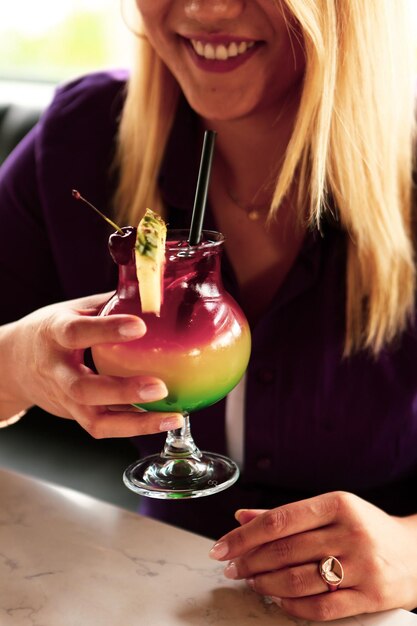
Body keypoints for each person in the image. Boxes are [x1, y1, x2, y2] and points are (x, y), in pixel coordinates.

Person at [1, 0, 417, 620]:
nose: (205, 8)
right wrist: (14, 364)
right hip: (155, 592)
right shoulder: (80, 139)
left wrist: (411, 549)